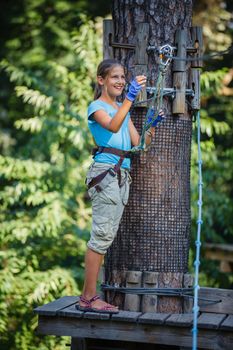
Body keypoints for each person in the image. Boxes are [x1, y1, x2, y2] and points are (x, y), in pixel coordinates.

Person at [76, 58, 163, 313]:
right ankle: (88, 298)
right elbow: (112, 125)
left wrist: (150, 125)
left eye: (123, 78)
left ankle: (90, 295)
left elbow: (140, 145)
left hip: (121, 177)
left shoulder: (121, 109)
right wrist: (130, 100)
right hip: (106, 174)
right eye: (115, 77)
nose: (121, 82)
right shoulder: (97, 107)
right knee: (101, 236)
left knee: (106, 236)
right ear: (101, 80)